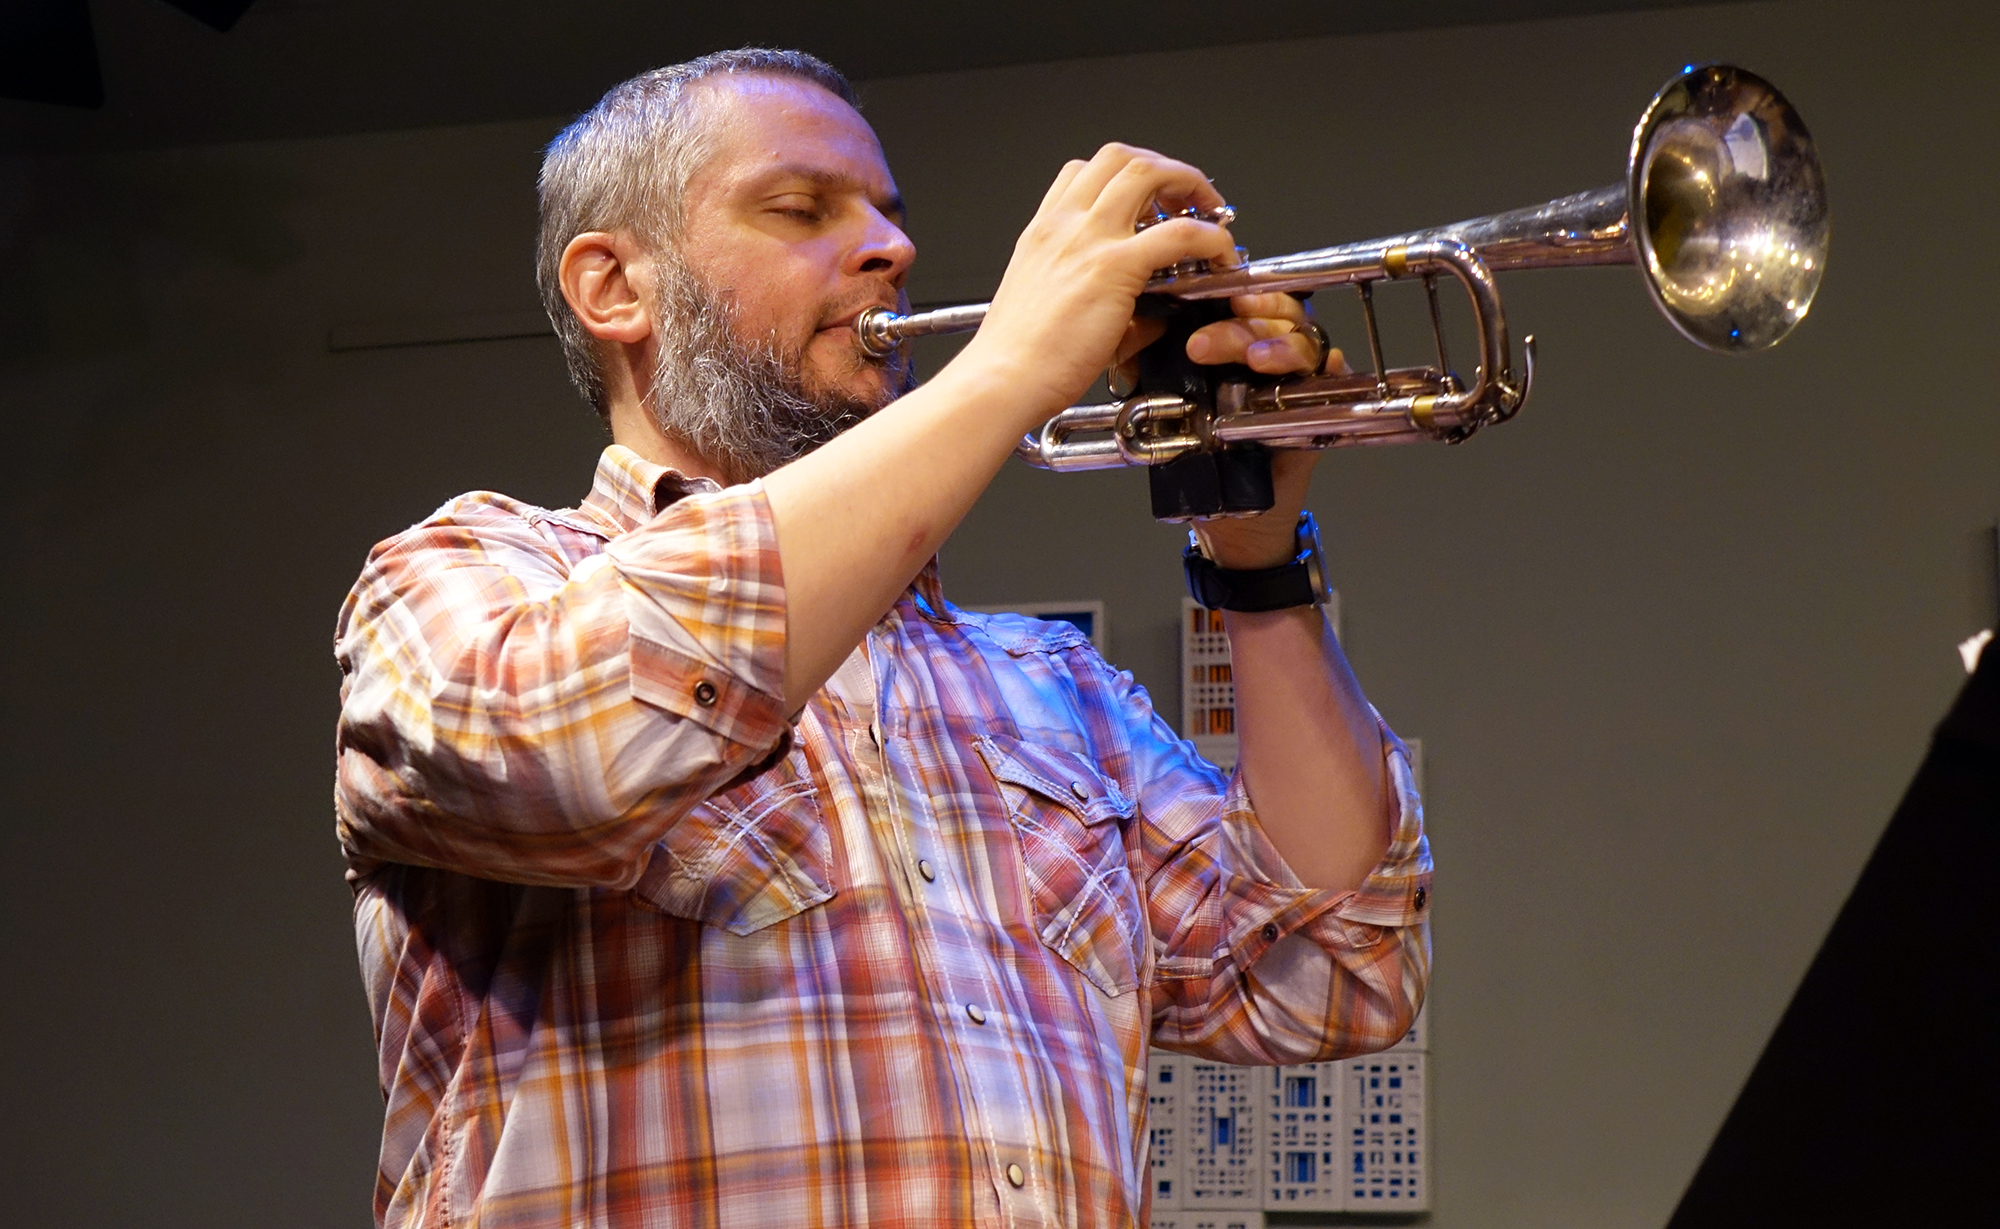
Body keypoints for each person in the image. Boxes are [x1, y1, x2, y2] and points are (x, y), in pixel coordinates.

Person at [334, 48, 1430, 1229]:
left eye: (888, 216)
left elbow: (1332, 977)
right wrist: (1008, 369)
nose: (891, 249)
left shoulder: (1046, 685)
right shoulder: (466, 578)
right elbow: (560, 755)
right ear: (613, 287)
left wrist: (1253, 561)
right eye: (800, 208)